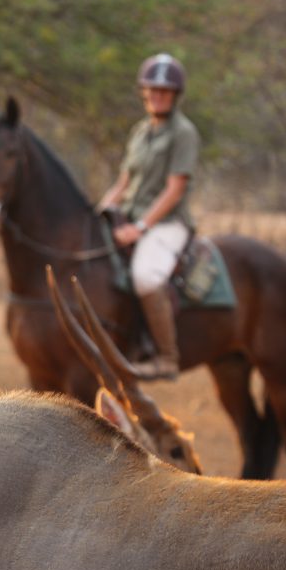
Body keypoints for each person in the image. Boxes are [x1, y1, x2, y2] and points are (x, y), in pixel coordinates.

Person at [95, 53, 200, 381]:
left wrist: (140, 228)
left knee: (146, 276)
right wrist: (97, 212)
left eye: (164, 92)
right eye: (152, 90)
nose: (157, 96)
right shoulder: (139, 132)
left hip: (167, 224)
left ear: (175, 96)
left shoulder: (184, 133)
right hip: (129, 218)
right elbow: (123, 183)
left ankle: (167, 358)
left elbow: (174, 190)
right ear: (144, 93)